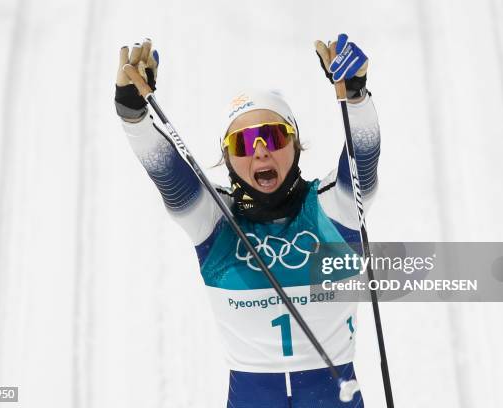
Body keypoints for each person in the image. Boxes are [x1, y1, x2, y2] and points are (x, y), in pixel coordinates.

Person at [114, 33, 380, 408]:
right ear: (227, 158)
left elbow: (362, 162)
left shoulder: (331, 210)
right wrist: (134, 117)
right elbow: (169, 176)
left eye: (273, 136)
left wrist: (355, 98)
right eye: (243, 142)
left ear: (295, 144)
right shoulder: (215, 222)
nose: (259, 151)